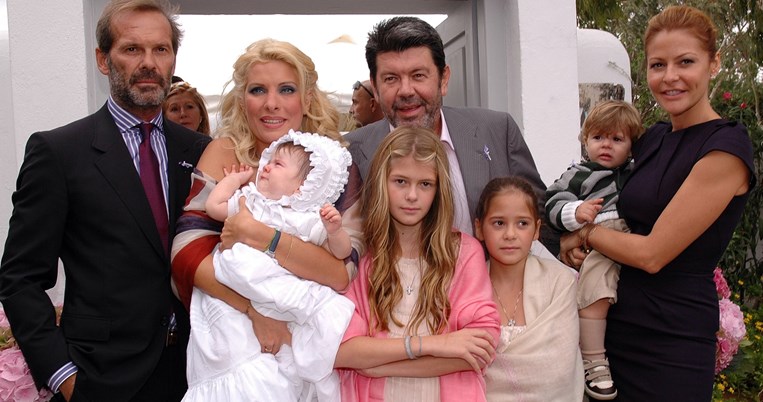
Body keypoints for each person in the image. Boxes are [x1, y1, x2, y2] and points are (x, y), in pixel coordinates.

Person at [0, 0, 210, 400]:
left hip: (196, 373)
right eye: (132, 49)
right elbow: (20, 278)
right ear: (103, 59)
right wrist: (62, 375)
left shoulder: (200, 150)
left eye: (160, 49)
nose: (148, 63)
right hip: (101, 378)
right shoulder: (59, 152)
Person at [560, 5, 755, 400]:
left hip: (672, 338)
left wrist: (583, 233)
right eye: (657, 65)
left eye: (686, 62)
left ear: (714, 63)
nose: (670, 77)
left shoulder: (725, 149)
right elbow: (599, 193)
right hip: (613, 326)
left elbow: (652, 254)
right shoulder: (652, 139)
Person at [170, 37, 362, 376]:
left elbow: (340, 273)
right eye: (258, 90)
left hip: (309, 340)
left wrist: (259, 235)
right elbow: (185, 253)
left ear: (308, 98)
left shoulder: (333, 166)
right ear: (242, 100)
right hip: (232, 342)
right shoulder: (224, 153)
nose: (271, 104)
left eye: (287, 89)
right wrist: (253, 310)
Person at [343, 16, 559, 257]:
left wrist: (571, 244)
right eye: (391, 79)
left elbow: (539, 214)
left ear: (443, 79)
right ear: (375, 86)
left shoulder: (497, 130)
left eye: (418, 75)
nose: (405, 91)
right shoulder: (350, 151)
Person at [183, 131, 354, 401]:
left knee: (286, 361)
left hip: (278, 289)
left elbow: (340, 254)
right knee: (236, 354)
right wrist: (233, 181)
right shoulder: (249, 200)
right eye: (270, 161)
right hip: (235, 287)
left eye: (278, 164)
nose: (267, 166)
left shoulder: (306, 218)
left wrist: (335, 231)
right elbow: (214, 207)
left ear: (302, 187)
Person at [335, 127, 500, 402]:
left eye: (425, 184)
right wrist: (437, 344)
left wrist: (377, 366)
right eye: (400, 181)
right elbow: (343, 352)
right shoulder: (361, 255)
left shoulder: (463, 253)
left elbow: (481, 348)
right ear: (381, 183)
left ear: (439, 189)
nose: (412, 195)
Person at [545, 100, 643, 400]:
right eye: (598, 137)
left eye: (617, 139)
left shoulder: (635, 173)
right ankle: (594, 360)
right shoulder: (580, 173)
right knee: (595, 290)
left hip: (633, 241)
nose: (606, 145)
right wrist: (575, 212)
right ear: (585, 140)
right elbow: (551, 202)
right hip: (600, 240)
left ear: (632, 145)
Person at [477, 176, 583, 401]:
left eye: (522, 224)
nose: (510, 234)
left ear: (536, 230)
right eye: (499, 223)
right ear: (479, 228)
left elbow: (558, 371)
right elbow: (460, 368)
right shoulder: (467, 288)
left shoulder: (560, 282)